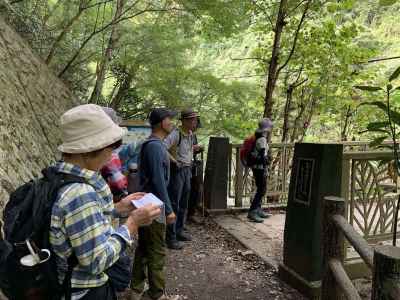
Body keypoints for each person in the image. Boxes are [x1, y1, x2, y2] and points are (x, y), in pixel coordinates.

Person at [50, 104, 161, 299]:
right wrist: (132, 224)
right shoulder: (80, 194)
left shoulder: (57, 175)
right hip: (84, 291)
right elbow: (96, 262)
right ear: (89, 149)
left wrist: (117, 208)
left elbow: (76, 225)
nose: (112, 154)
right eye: (111, 146)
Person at [130, 108, 180, 300]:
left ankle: (136, 289)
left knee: (144, 246)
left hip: (147, 202)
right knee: (157, 250)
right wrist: (168, 209)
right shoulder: (155, 146)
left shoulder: (153, 145)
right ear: (161, 122)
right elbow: (159, 181)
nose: (172, 122)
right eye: (170, 119)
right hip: (153, 204)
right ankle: (157, 294)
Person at [164, 109, 200, 250]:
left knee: (184, 202)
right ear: (184, 121)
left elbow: (187, 149)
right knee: (174, 203)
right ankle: (170, 237)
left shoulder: (190, 134)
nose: (194, 122)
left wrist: (194, 148)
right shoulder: (175, 134)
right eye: (191, 120)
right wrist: (174, 161)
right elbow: (162, 147)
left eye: (195, 119)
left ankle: (179, 230)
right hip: (177, 171)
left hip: (187, 170)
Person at [248, 118, 273, 223]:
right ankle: (252, 212)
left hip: (257, 167)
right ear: (266, 129)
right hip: (259, 168)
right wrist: (267, 162)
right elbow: (263, 156)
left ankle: (258, 210)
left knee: (261, 189)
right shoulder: (262, 139)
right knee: (261, 190)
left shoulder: (258, 137)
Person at [187, 117, 204, 223]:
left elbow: (193, 152)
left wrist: (199, 149)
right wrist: (193, 148)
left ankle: (191, 213)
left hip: (193, 165)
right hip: (184, 166)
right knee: (186, 191)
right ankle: (185, 214)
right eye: (196, 126)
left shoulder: (194, 135)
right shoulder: (182, 135)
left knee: (195, 189)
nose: (196, 129)